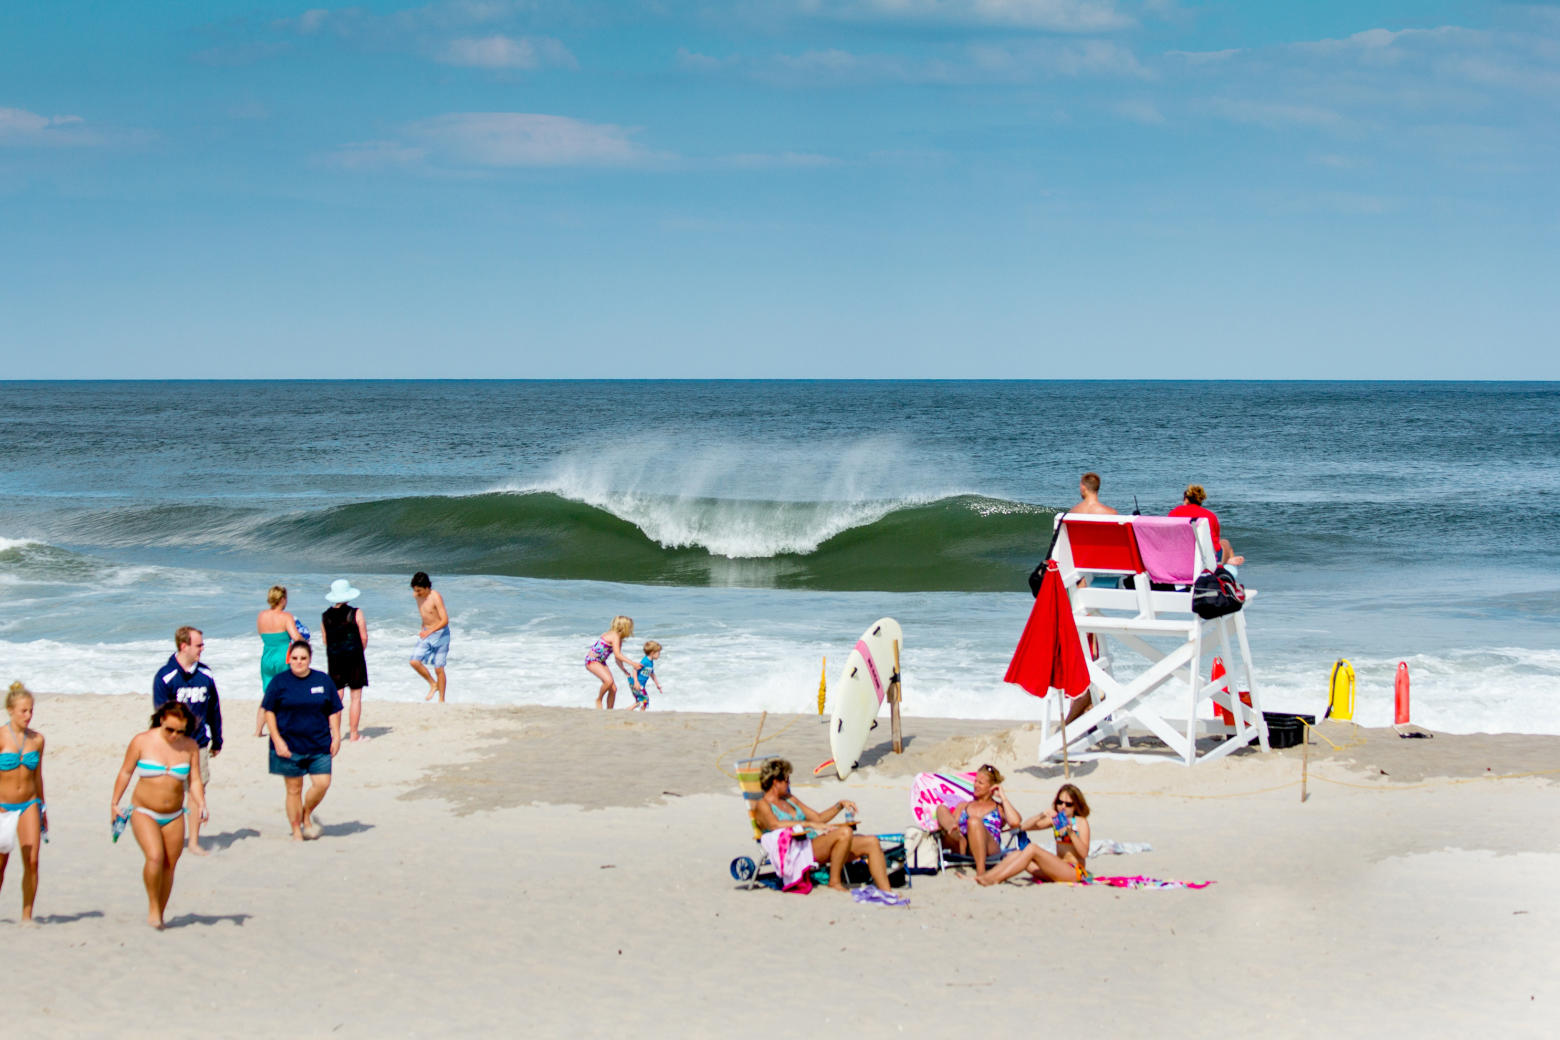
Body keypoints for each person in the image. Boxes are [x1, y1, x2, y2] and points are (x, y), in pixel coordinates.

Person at [111, 702, 206, 928]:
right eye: (170, 730)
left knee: (169, 865)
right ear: (161, 720)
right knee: (155, 856)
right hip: (143, 810)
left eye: (180, 731)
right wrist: (114, 802)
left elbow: (194, 780)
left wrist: (201, 803)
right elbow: (126, 771)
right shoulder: (142, 741)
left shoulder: (190, 746)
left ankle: (160, 913)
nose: (174, 735)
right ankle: (153, 907)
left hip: (174, 814)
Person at [753, 759, 894, 893]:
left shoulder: (790, 799)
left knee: (872, 842)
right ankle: (835, 881)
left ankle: (887, 891)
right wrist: (808, 824)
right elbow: (774, 825)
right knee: (844, 832)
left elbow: (818, 819)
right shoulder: (762, 805)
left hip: (813, 845)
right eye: (786, 780)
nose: (789, 783)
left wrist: (839, 805)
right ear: (775, 782)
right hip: (798, 850)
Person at [151, 626, 221, 855]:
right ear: (184, 646)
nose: (203, 648)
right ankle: (166, 838)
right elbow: (160, 716)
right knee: (171, 794)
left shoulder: (206, 674)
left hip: (199, 744)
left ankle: (193, 842)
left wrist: (217, 739)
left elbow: (213, 708)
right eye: (199, 644)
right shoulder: (165, 676)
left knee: (197, 792)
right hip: (172, 746)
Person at [263, 641, 343, 841]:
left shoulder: (322, 680)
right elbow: (269, 712)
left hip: (319, 743)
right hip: (289, 746)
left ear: (310, 659)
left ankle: (306, 813)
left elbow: (333, 709)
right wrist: (277, 740)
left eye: (303, 658)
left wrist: (337, 735)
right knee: (294, 789)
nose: (299, 662)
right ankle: (297, 830)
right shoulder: (279, 682)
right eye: (295, 658)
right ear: (289, 659)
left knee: (322, 784)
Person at [977, 783, 1092, 886]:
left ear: (1076, 805)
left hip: (1074, 871)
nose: (1063, 807)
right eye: (1060, 802)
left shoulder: (1081, 822)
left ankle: (996, 879)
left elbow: (1084, 853)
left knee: (1032, 848)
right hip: (1057, 869)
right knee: (1016, 853)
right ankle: (985, 877)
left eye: (1068, 804)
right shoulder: (1056, 821)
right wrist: (1041, 814)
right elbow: (1025, 826)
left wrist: (1071, 833)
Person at [1, 682, 47, 924]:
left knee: (32, 861)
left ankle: (27, 916)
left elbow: (38, 775)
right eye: (23, 711)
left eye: (31, 710)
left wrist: (43, 807)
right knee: (1, 862)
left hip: (29, 804)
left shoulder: (37, 740)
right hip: (3, 807)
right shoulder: (0, 736)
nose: (28, 716)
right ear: (10, 710)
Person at [932, 764, 1021, 879]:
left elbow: (1015, 822)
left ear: (992, 787)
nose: (975, 785)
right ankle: (953, 829)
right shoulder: (964, 805)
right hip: (963, 845)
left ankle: (981, 872)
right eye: (975, 781)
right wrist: (952, 829)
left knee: (973, 822)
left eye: (981, 783)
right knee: (941, 808)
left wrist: (1003, 797)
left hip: (989, 847)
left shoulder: (999, 808)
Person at [322, 579, 369, 740]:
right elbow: (363, 637)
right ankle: (354, 734)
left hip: (335, 658)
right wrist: (358, 651)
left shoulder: (325, 616)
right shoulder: (356, 612)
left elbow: (325, 640)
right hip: (354, 657)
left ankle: (334, 733)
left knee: (337, 696)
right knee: (355, 696)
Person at [255, 585, 301, 737]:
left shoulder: (261, 615)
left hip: (267, 658)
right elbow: (295, 637)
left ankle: (258, 731)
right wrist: (304, 639)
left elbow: (261, 633)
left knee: (268, 694)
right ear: (282, 599)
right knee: (288, 692)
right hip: (283, 658)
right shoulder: (285, 616)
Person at [1168, 484, 1244, 570]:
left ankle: (1226, 562)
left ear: (1186, 499)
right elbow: (1215, 541)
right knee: (1225, 543)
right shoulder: (1210, 515)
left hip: (1180, 557)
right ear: (1201, 500)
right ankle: (1227, 566)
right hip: (1206, 560)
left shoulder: (1174, 513)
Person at [408, 572, 450, 703]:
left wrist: (430, 630)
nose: (417, 593)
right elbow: (425, 612)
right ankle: (433, 684)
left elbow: (445, 620)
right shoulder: (417, 595)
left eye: (419, 590)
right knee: (414, 661)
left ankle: (441, 700)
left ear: (427, 587)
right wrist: (424, 628)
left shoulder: (435, 596)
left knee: (439, 668)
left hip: (441, 634)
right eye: (415, 590)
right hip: (426, 632)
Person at [585, 616, 639, 709]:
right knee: (608, 681)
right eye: (629, 627)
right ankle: (599, 699)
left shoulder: (619, 639)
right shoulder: (614, 636)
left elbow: (617, 659)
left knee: (613, 689)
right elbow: (618, 655)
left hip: (601, 662)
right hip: (592, 660)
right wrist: (633, 663)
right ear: (624, 627)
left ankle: (610, 710)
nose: (630, 630)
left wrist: (624, 670)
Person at [629, 640, 663, 711]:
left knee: (640, 701)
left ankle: (628, 711)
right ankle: (638, 713)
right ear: (652, 653)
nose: (659, 654)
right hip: (637, 684)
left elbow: (652, 674)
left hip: (639, 684)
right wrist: (636, 682)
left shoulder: (650, 662)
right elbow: (635, 669)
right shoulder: (645, 661)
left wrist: (657, 685)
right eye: (658, 653)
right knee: (645, 700)